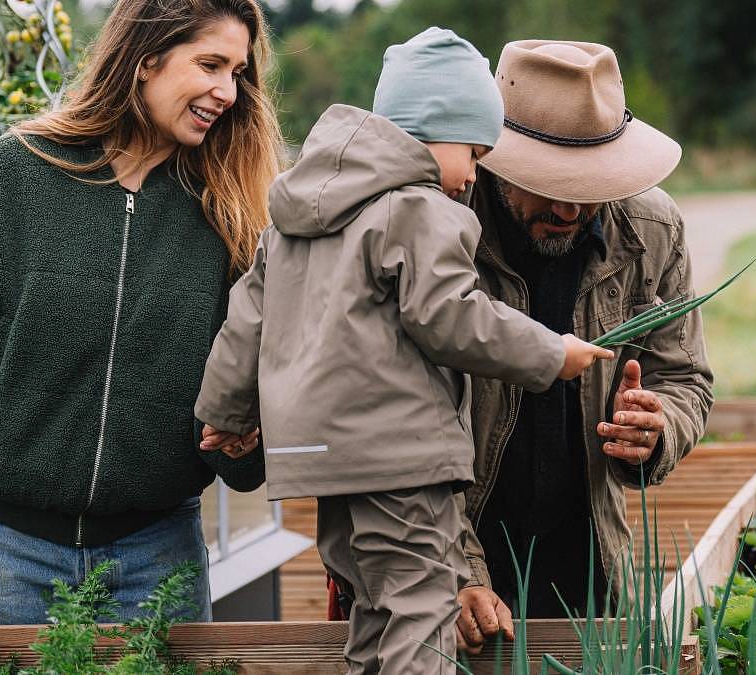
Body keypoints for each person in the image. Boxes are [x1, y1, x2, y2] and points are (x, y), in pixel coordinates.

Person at [194, 28, 612, 674]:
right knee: (422, 608)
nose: (474, 173)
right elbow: (451, 314)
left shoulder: (299, 214)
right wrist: (550, 353)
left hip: (320, 460)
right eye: (472, 150)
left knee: (372, 606)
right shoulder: (420, 210)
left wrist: (225, 410)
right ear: (431, 129)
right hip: (396, 454)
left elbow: (246, 317)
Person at [0, 0, 282, 625]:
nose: (227, 91)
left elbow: (247, 402)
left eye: (238, 73)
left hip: (158, 560)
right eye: (210, 64)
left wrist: (246, 443)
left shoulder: (233, 216)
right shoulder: (7, 180)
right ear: (145, 60)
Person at [452, 39, 715, 653]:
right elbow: (389, 427)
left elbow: (686, 378)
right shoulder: (440, 225)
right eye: (545, 184)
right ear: (493, 157)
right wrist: (455, 568)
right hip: (455, 563)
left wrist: (657, 427)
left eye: (589, 183)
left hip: (589, 563)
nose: (568, 207)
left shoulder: (651, 231)